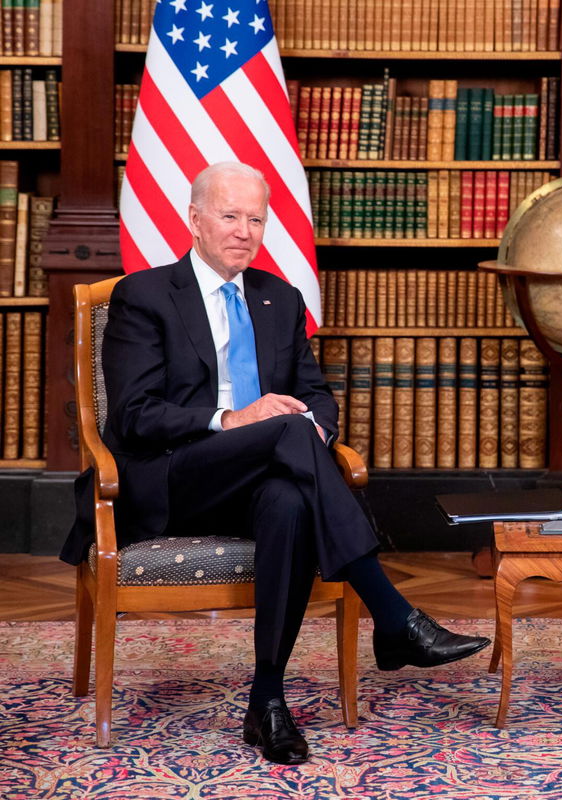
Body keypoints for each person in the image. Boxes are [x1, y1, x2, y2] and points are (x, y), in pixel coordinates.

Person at [61, 161, 489, 765]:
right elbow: (131, 415)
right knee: (286, 435)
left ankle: (268, 700)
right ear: (195, 219)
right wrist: (227, 418)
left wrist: (314, 426)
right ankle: (392, 616)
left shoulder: (277, 298)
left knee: (289, 498)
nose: (244, 230)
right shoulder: (145, 295)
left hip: (257, 478)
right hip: (171, 478)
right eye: (229, 215)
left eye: (255, 218)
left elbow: (314, 394)